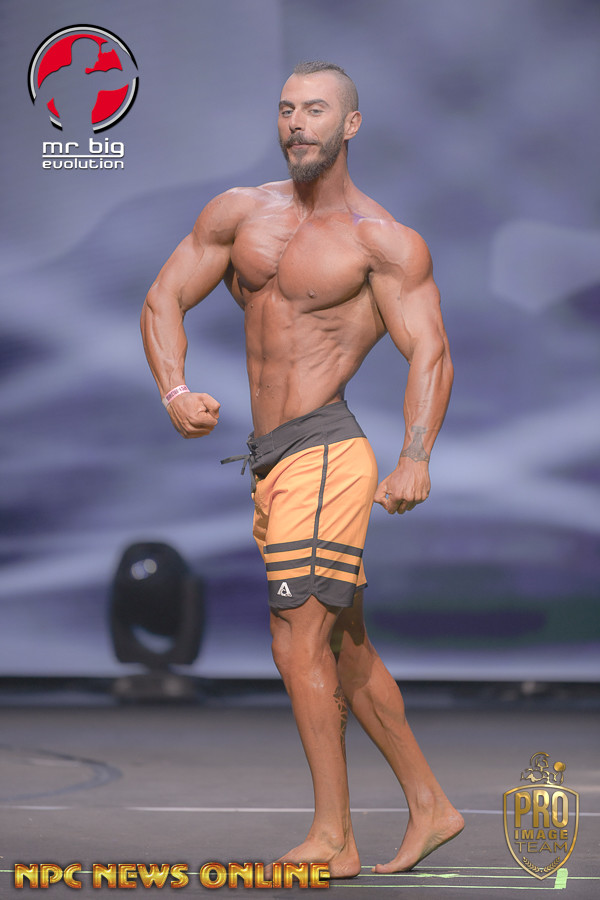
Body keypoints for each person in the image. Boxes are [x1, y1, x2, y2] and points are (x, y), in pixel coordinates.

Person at [141, 60, 464, 877]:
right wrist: (175, 388)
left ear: (349, 125)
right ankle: (431, 807)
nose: (296, 122)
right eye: (287, 109)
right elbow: (163, 298)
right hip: (271, 461)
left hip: (328, 452)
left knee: (297, 643)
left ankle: (333, 838)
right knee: (345, 650)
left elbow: (430, 350)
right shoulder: (239, 214)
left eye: (316, 110)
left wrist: (415, 457)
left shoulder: (380, 240)